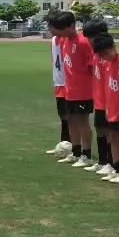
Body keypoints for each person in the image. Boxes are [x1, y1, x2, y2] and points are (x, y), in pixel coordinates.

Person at [48, 11, 95, 167]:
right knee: (72, 121)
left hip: (83, 91)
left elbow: (92, 67)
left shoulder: (83, 42)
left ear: (70, 26)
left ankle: (86, 155)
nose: (58, 33)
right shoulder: (65, 41)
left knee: (83, 122)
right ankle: (75, 152)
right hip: (70, 90)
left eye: (60, 29)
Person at [92, 33, 119, 186]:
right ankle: (116, 169)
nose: (104, 57)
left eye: (106, 53)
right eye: (101, 55)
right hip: (112, 109)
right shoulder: (107, 64)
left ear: (113, 47)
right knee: (114, 138)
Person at [84, 19, 114, 175]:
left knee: (110, 133)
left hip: (109, 101)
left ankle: (111, 162)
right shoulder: (95, 55)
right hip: (99, 100)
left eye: (90, 37)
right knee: (100, 130)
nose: (88, 41)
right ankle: (102, 161)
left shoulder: (107, 57)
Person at [45, 17, 71, 156]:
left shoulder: (65, 40)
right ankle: (64, 145)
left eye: (51, 27)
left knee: (70, 118)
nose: (49, 30)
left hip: (68, 84)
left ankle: (72, 147)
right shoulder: (54, 41)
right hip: (58, 83)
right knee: (63, 117)